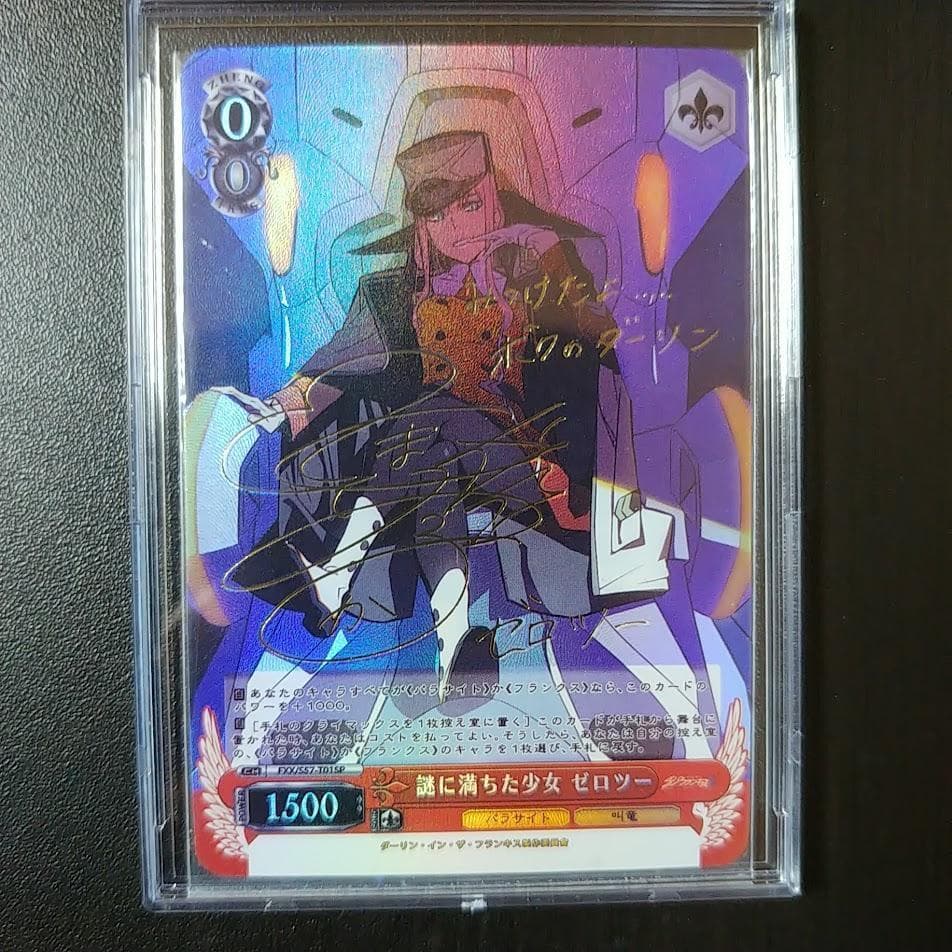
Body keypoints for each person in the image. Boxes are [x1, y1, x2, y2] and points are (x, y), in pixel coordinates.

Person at [221, 130, 672, 703]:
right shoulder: (392, 294)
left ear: (494, 196)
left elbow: (598, 339)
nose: (455, 227)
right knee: (433, 457)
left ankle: (335, 571)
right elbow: (338, 360)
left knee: (429, 418)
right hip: (433, 457)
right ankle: (455, 642)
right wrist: (296, 393)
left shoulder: (539, 276)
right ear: (420, 225)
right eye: (436, 216)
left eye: (469, 205)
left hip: (531, 464)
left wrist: (550, 254)